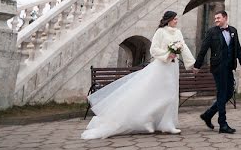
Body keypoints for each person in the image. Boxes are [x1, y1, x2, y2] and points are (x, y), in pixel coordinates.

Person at [81, 10, 195, 139]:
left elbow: (184, 47)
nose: (176, 21)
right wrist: (167, 54)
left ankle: (167, 123)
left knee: (172, 94)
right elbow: (153, 50)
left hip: (173, 68)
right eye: (174, 19)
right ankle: (149, 121)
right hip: (162, 67)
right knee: (161, 95)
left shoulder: (178, 32)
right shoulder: (160, 32)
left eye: (177, 19)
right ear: (168, 20)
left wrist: (192, 64)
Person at [193, 10, 241, 134]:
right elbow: (203, 49)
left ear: (225, 18)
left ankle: (208, 114)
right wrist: (197, 65)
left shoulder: (233, 31)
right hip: (218, 67)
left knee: (229, 93)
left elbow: (237, 48)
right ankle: (223, 124)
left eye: (218, 18)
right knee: (222, 93)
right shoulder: (211, 32)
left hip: (229, 66)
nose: (216, 20)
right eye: (215, 18)